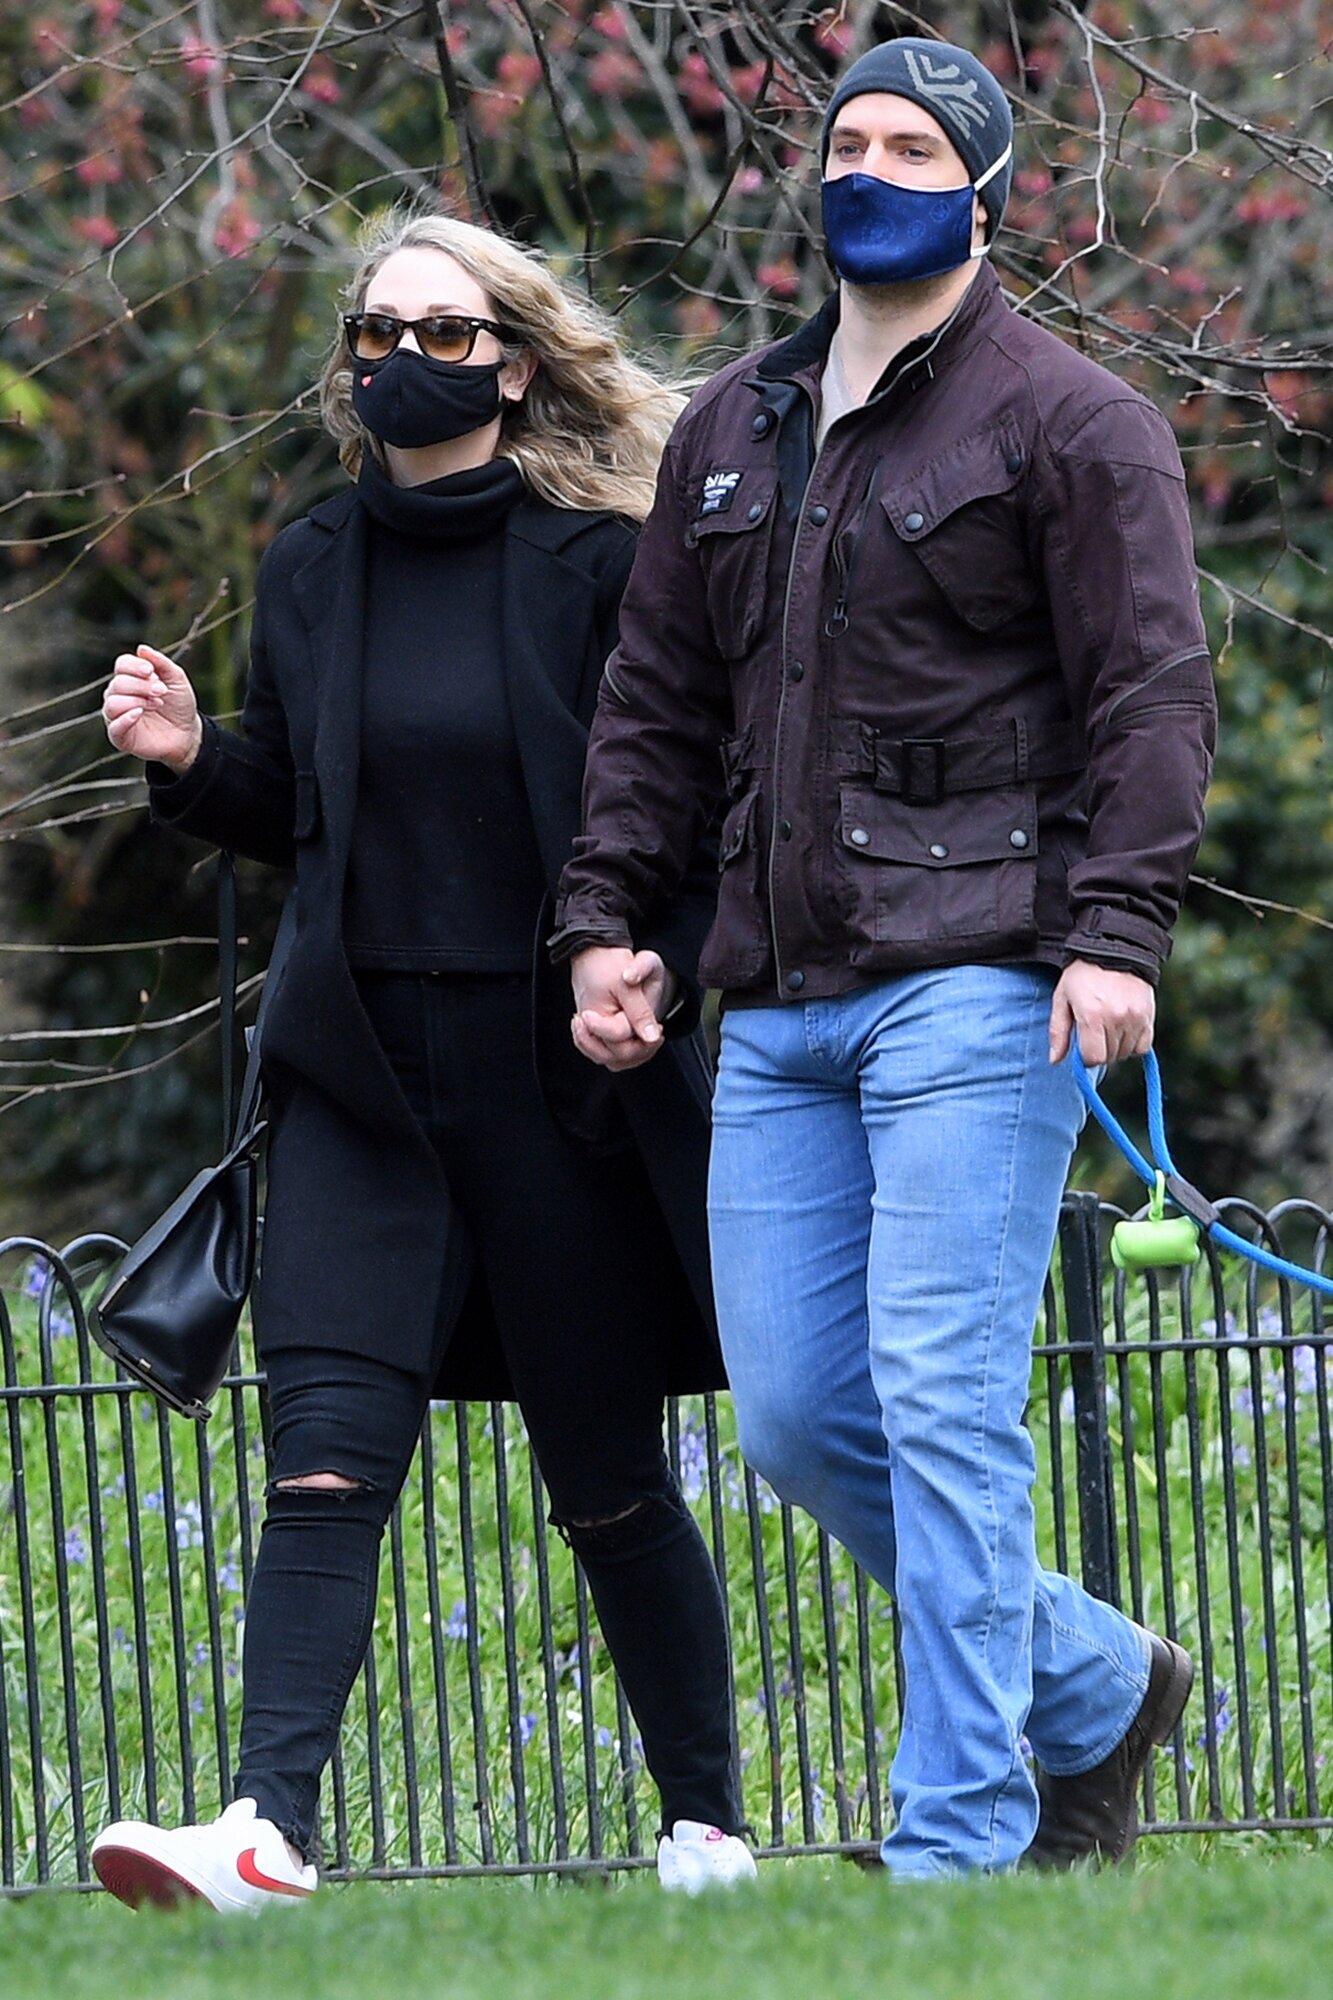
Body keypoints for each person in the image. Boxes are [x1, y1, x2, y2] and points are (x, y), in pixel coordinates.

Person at [548, 37, 1216, 1878]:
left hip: (985, 978)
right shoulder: (728, 426)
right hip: (773, 996)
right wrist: (608, 923)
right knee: (793, 1416)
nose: (869, 169)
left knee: (940, 1401)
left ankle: (957, 1840)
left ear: (984, 193)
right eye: (848, 139)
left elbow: (1152, 697)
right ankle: (1093, 1684)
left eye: (915, 147)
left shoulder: (1072, 420)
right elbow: (655, 704)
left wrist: (1116, 934)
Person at [89, 206, 756, 1912]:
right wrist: (190, 758)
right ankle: (265, 1831)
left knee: (605, 1481)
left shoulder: (599, 565)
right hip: (359, 1080)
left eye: (444, 333)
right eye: (375, 333)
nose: (402, 359)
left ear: (515, 364)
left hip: (560, 1082)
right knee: (320, 1458)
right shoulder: (311, 563)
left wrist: (656, 972)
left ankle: (704, 1828)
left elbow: (687, 815)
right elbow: (304, 811)